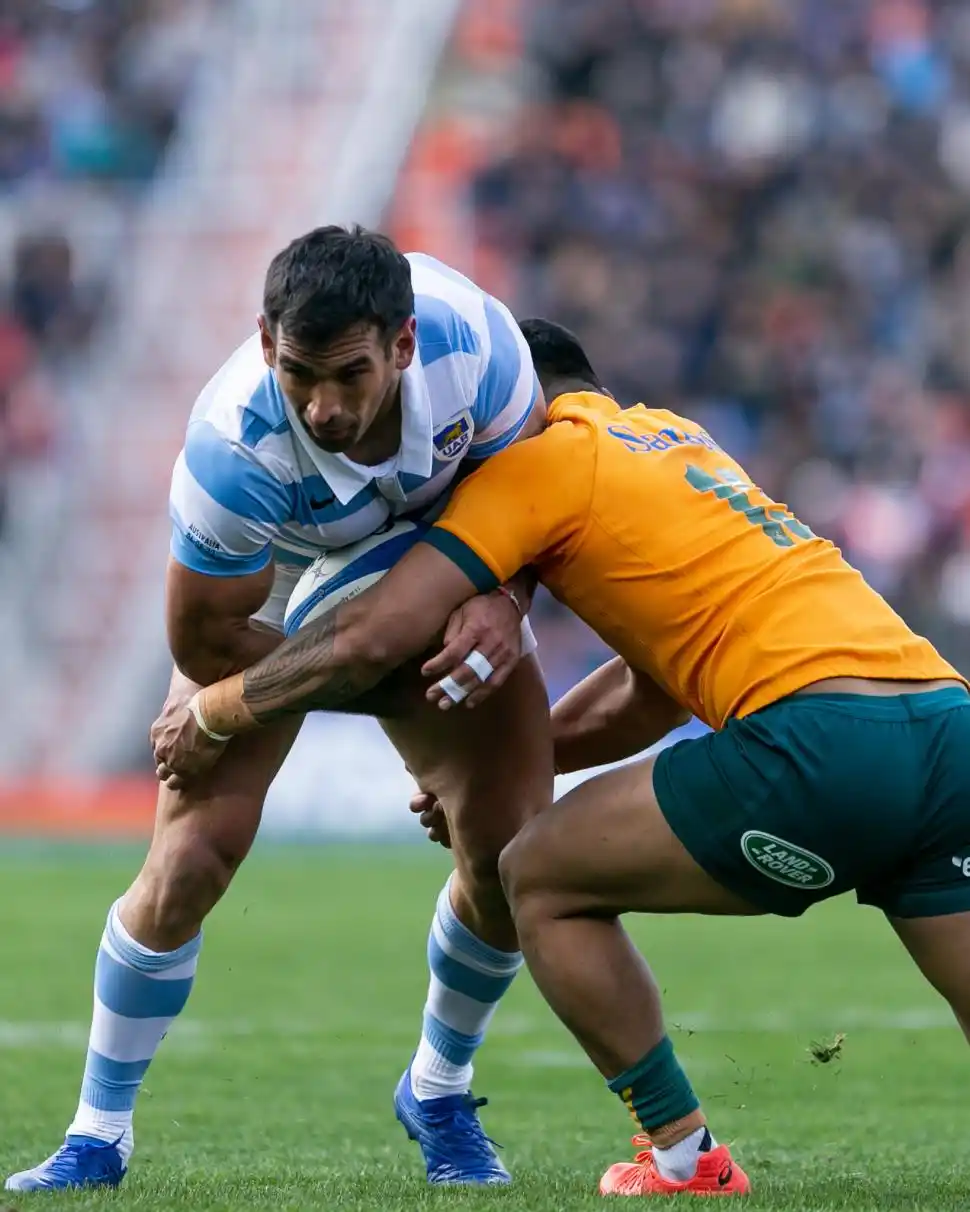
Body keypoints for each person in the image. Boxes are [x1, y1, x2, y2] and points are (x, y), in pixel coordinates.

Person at [151, 317, 970, 1198]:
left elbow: (376, 631)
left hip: (821, 744)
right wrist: (515, 765)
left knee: (535, 874)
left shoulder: (540, 459)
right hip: (944, 721)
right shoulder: (677, 440)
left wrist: (218, 708)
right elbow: (651, 692)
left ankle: (685, 1159)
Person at [5, 229, 556, 1193]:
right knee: (190, 857)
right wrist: (371, 665)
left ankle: (438, 1090)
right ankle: (97, 1133)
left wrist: (505, 602)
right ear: (266, 343)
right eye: (299, 373)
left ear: (404, 344)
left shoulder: (484, 351)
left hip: (445, 554)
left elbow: (544, 504)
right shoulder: (232, 448)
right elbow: (206, 647)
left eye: (349, 374)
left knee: (509, 855)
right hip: (270, 592)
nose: (323, 407)